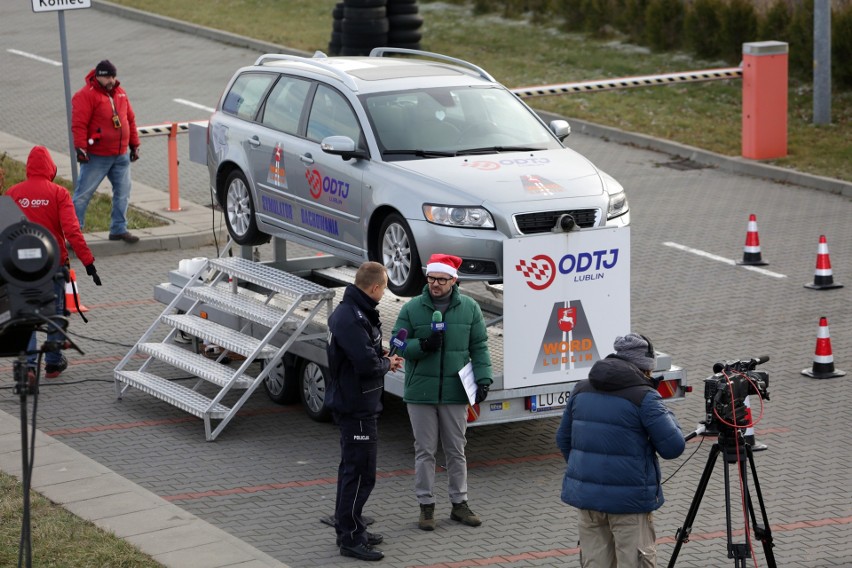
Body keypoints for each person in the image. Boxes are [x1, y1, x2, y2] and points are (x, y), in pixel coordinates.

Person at [556, 333, 685, 567]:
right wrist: (664, 411)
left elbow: (563, 439)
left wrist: (588, 473)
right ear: (645, 368)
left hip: (589, 502)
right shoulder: (645, 397)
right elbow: (673, 447)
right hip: (630, 504)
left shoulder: (581, 388)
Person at [392, 253, 492, 531]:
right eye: (431, 278)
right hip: (420, 392)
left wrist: (483, 379)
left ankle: (459, 504)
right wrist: (422, 345)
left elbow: (480, 347)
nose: (435, 284)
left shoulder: (470, 308)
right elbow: (396, 343)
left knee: (456, 450)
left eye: (441, 279)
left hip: (454, 392)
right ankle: (426, 507)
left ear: (453, 281)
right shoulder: (412, 308)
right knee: (424, 451)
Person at [326, 261, 403, 562]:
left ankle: (352, 526)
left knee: (353, 471)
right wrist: (388, 364)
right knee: (360, 475)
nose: (384, 293)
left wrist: (379, 354)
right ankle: (350, 537)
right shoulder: (351, 317)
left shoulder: (356, 312)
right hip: (356, 408)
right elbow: (367, 365)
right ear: (374, 287)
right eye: (384, 287)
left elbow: (364, 352)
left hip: (359, 404)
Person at [4, 146, 103, 379]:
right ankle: (53, 362)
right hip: (53, 264)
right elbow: (72, 231)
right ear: (51, 167)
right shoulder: (58, 193)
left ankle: (29, 367)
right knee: (55, 313)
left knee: (26, 315)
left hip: (20, 267)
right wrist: (89, 263)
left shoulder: (12, 192)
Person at [71, 59, 140, 243]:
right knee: (83, 194)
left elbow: (130, 120)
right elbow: (79, 124)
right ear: (99, 77)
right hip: (97, 156)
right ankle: (74, 233)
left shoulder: (120, 93)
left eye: (113, 76)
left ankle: (118, 229)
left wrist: (134, 144)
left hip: (120, 155)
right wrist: (80, 149)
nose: (112, 80)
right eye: (108, 76)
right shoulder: (85, 95)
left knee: (123, 193)